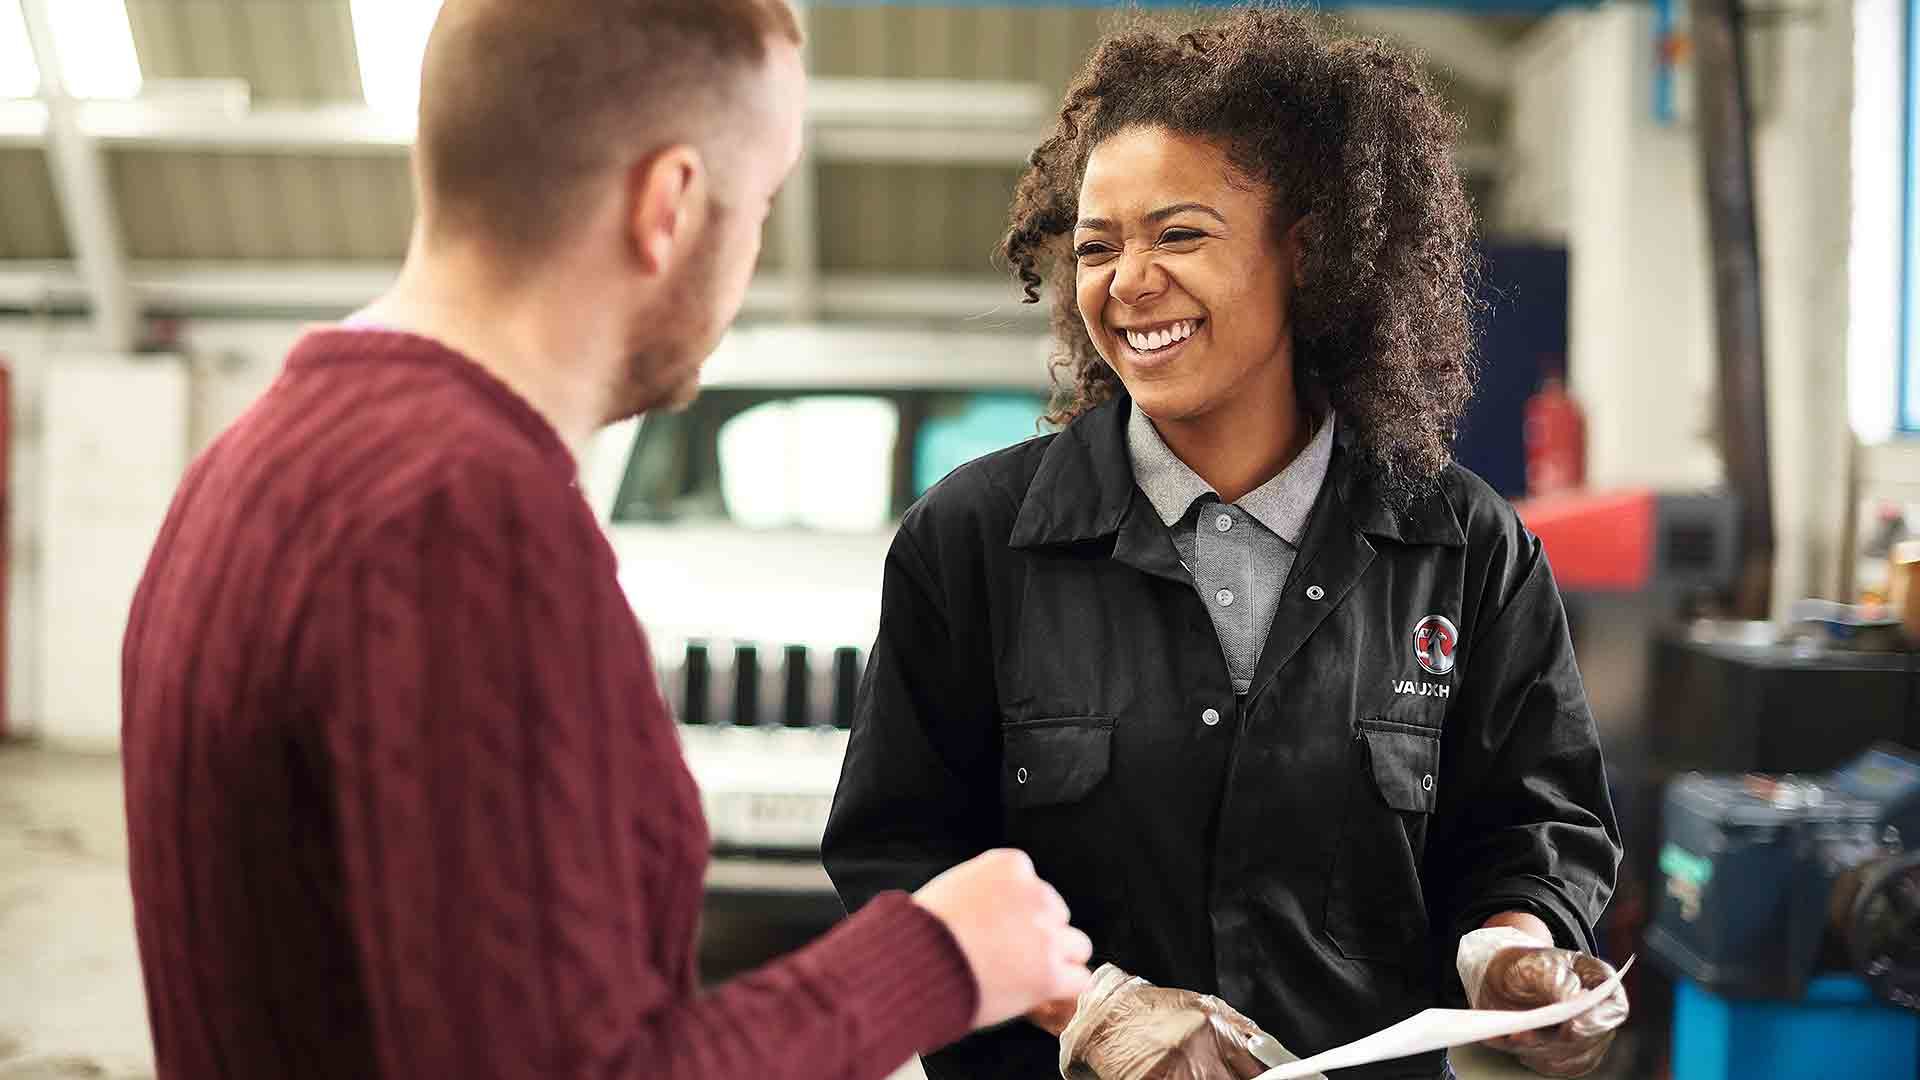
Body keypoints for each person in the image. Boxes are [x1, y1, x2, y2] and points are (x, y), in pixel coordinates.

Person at [120, 3, 1092, 1078]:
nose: (754, 252)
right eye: (758, 202)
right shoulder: (465, 517)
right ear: (669, 203)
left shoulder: (258, 453)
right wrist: (938, 958)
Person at [823, 10, 1627, 1080]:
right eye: (1099, 246)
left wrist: (1515, 951)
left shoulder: (1463, 548)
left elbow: (1535, 822)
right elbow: (895, 857)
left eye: (1180, 234)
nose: (1129, 280)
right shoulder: (973, 542)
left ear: (1309, 250)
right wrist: (1082, 1010)